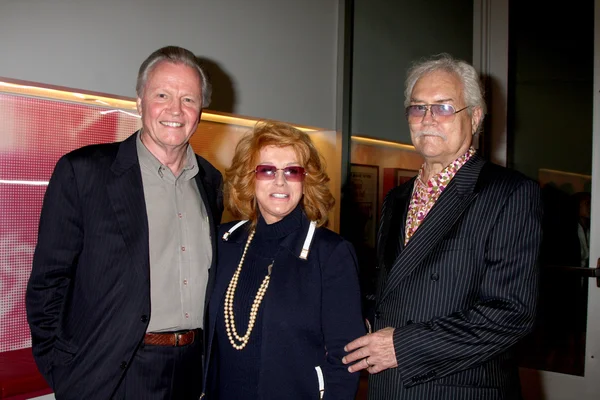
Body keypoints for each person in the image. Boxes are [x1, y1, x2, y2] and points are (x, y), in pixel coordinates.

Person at [26, 45, 223, 400]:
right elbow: (47, 283)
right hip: (112, 374)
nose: (175, 110)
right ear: (140, 100)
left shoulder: (212, 182)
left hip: (191, 373)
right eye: (162, 95)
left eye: (189, 99)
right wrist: (61, 368)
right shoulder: (84, 173)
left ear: (200, 111)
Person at [343, 53, 543, 399]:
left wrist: (402, 346)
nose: (428, 119)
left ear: (475, 117)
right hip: (388, 385)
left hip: (457, 387)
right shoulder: (397, 198)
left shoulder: (509, 192)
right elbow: (389, 288)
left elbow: (512, 313)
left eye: (444, 107)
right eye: (417, 108)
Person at [204, 121, 366, 399]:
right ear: (249, 177)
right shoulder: (223, 242)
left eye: (292, 171)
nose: (280, 181)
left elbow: (346, 359)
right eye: (267, 170)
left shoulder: (330, 254)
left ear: (306, 180)